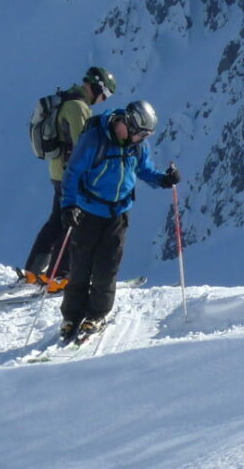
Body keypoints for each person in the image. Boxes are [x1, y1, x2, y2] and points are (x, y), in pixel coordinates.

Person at [57, 99, 179, 341]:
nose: (142, 139)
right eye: (140, 134)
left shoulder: (137, 146)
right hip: (88, 211)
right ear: (128, 124)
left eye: (146, 135)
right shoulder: (94, 140)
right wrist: (68, 205)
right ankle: (71, 316)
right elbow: (72, 173)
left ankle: (96, 315)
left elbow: (144, 170)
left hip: (118, 214)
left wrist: (164, 179)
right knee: (81, 265)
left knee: (107, 266)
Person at [20, 66, 117, 289]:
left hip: (57, 171)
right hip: (70, 175)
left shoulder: (66, 98)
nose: (103, 100)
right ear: (98, 87)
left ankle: (33, 272)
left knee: (56, 221)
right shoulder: (78, 107)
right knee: (72, 223)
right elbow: (83, 145)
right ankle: (59, 277)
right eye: (105, 94)